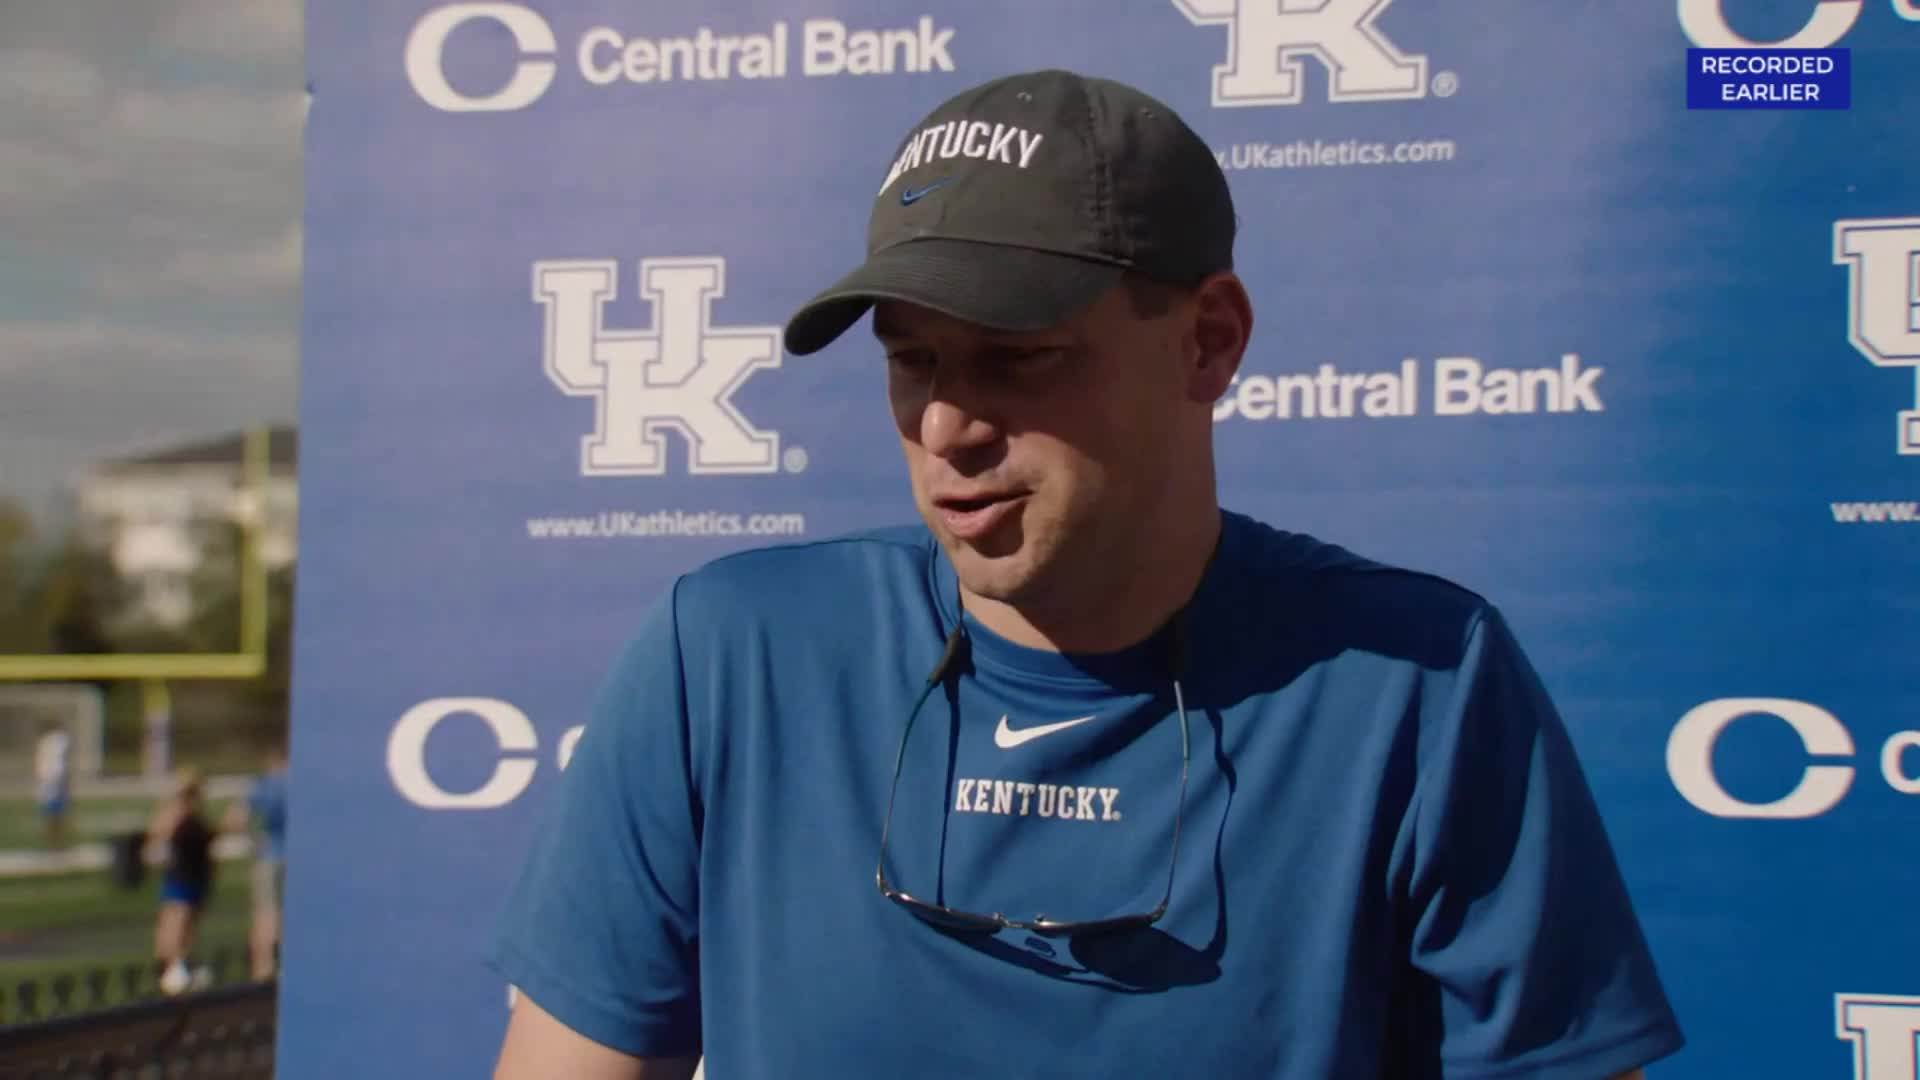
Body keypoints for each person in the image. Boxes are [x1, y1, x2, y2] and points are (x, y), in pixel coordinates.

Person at [486, 69, 1685, 1079]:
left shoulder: (1416, 684)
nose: (949, 425)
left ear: (1209, 342)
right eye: (913, 364)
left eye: (1021, 359)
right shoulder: (732, 655)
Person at [149, 766, 218, 995]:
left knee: (186, 923)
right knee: (177, 920)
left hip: (195, 874)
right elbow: (159, 832)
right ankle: (170, 968)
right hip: (181, 875)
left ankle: (179, 965)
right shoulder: (176, 813)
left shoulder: (195, 814)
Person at [224, 742, 288, 980]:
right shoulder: (302, 784)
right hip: (297, 859)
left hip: (270, 854)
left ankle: (264, 968)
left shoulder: (264, 786)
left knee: (266, 914)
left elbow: (235, 819)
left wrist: (253, 840)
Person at [33, 723, 72, 849]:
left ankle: (52, 838)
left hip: (47, 778)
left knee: (51, 810)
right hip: (55, 777)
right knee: (56, 811)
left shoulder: (44, 741)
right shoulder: (58, 739)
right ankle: (55, 838)